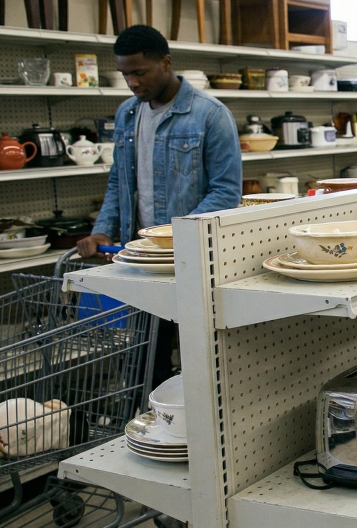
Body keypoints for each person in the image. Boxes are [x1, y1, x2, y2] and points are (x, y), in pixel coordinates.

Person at [78, 25, 241, 386]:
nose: (133, 83)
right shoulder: (127, 115)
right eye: (125, 75)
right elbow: (119, 181)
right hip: (138, 260)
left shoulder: (210, 116)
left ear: (165, 63)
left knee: (197, 364)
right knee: (142, 362)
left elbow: (227, 193)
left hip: (189, 260)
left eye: (140, 72)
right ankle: (152, 429)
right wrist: (102, 228)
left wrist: (167, 236)